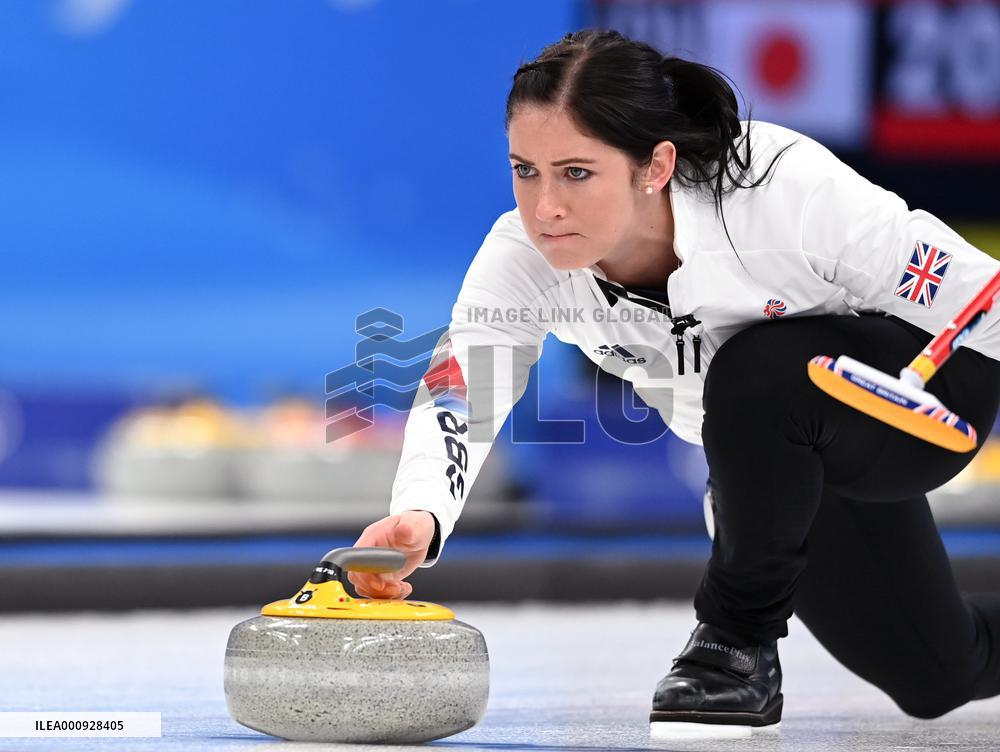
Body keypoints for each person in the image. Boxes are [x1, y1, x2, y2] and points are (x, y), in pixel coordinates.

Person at [348, 29, 1000, 735]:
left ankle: (734, 643)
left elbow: (982, 298)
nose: (545, 208)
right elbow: (462, 387)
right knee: (938, 676)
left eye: (575, 173)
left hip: (926, 396)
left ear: (655, 164)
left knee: (756, 371)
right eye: (524, 170)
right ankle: (767, 581)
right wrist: (421, 512)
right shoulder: (523, 260)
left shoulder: (778, 189)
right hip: (777, 462)